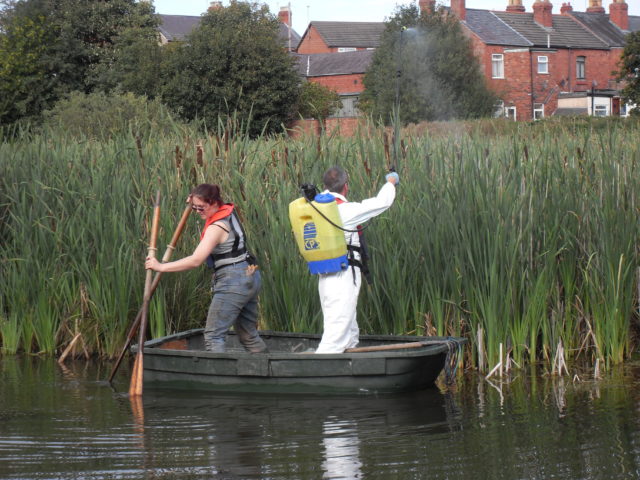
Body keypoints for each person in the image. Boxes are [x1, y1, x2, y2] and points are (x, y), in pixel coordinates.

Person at [145, 184, 267, 354]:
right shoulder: (228, 212)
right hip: (249, 275)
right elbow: (200, 202)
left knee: (213, 336)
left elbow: (196, 260)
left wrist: (160, 267)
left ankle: (218, 378)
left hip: (233, 281)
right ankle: (265, 371)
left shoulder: (217, 228)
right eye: (194, 208)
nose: (198, 211)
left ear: (215, 203)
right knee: (248, 335)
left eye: (201, 207)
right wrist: (194, 200)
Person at [315, 166, 399, 354]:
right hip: (343, 273)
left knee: (348, 327)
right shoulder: (344, 211)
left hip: (325, 274)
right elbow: (381, 203)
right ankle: (317, 373)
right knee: (336, 334)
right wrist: (391, 183)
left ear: (325, 186)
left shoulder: (315, 207)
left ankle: (349, 366)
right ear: (346, 186)